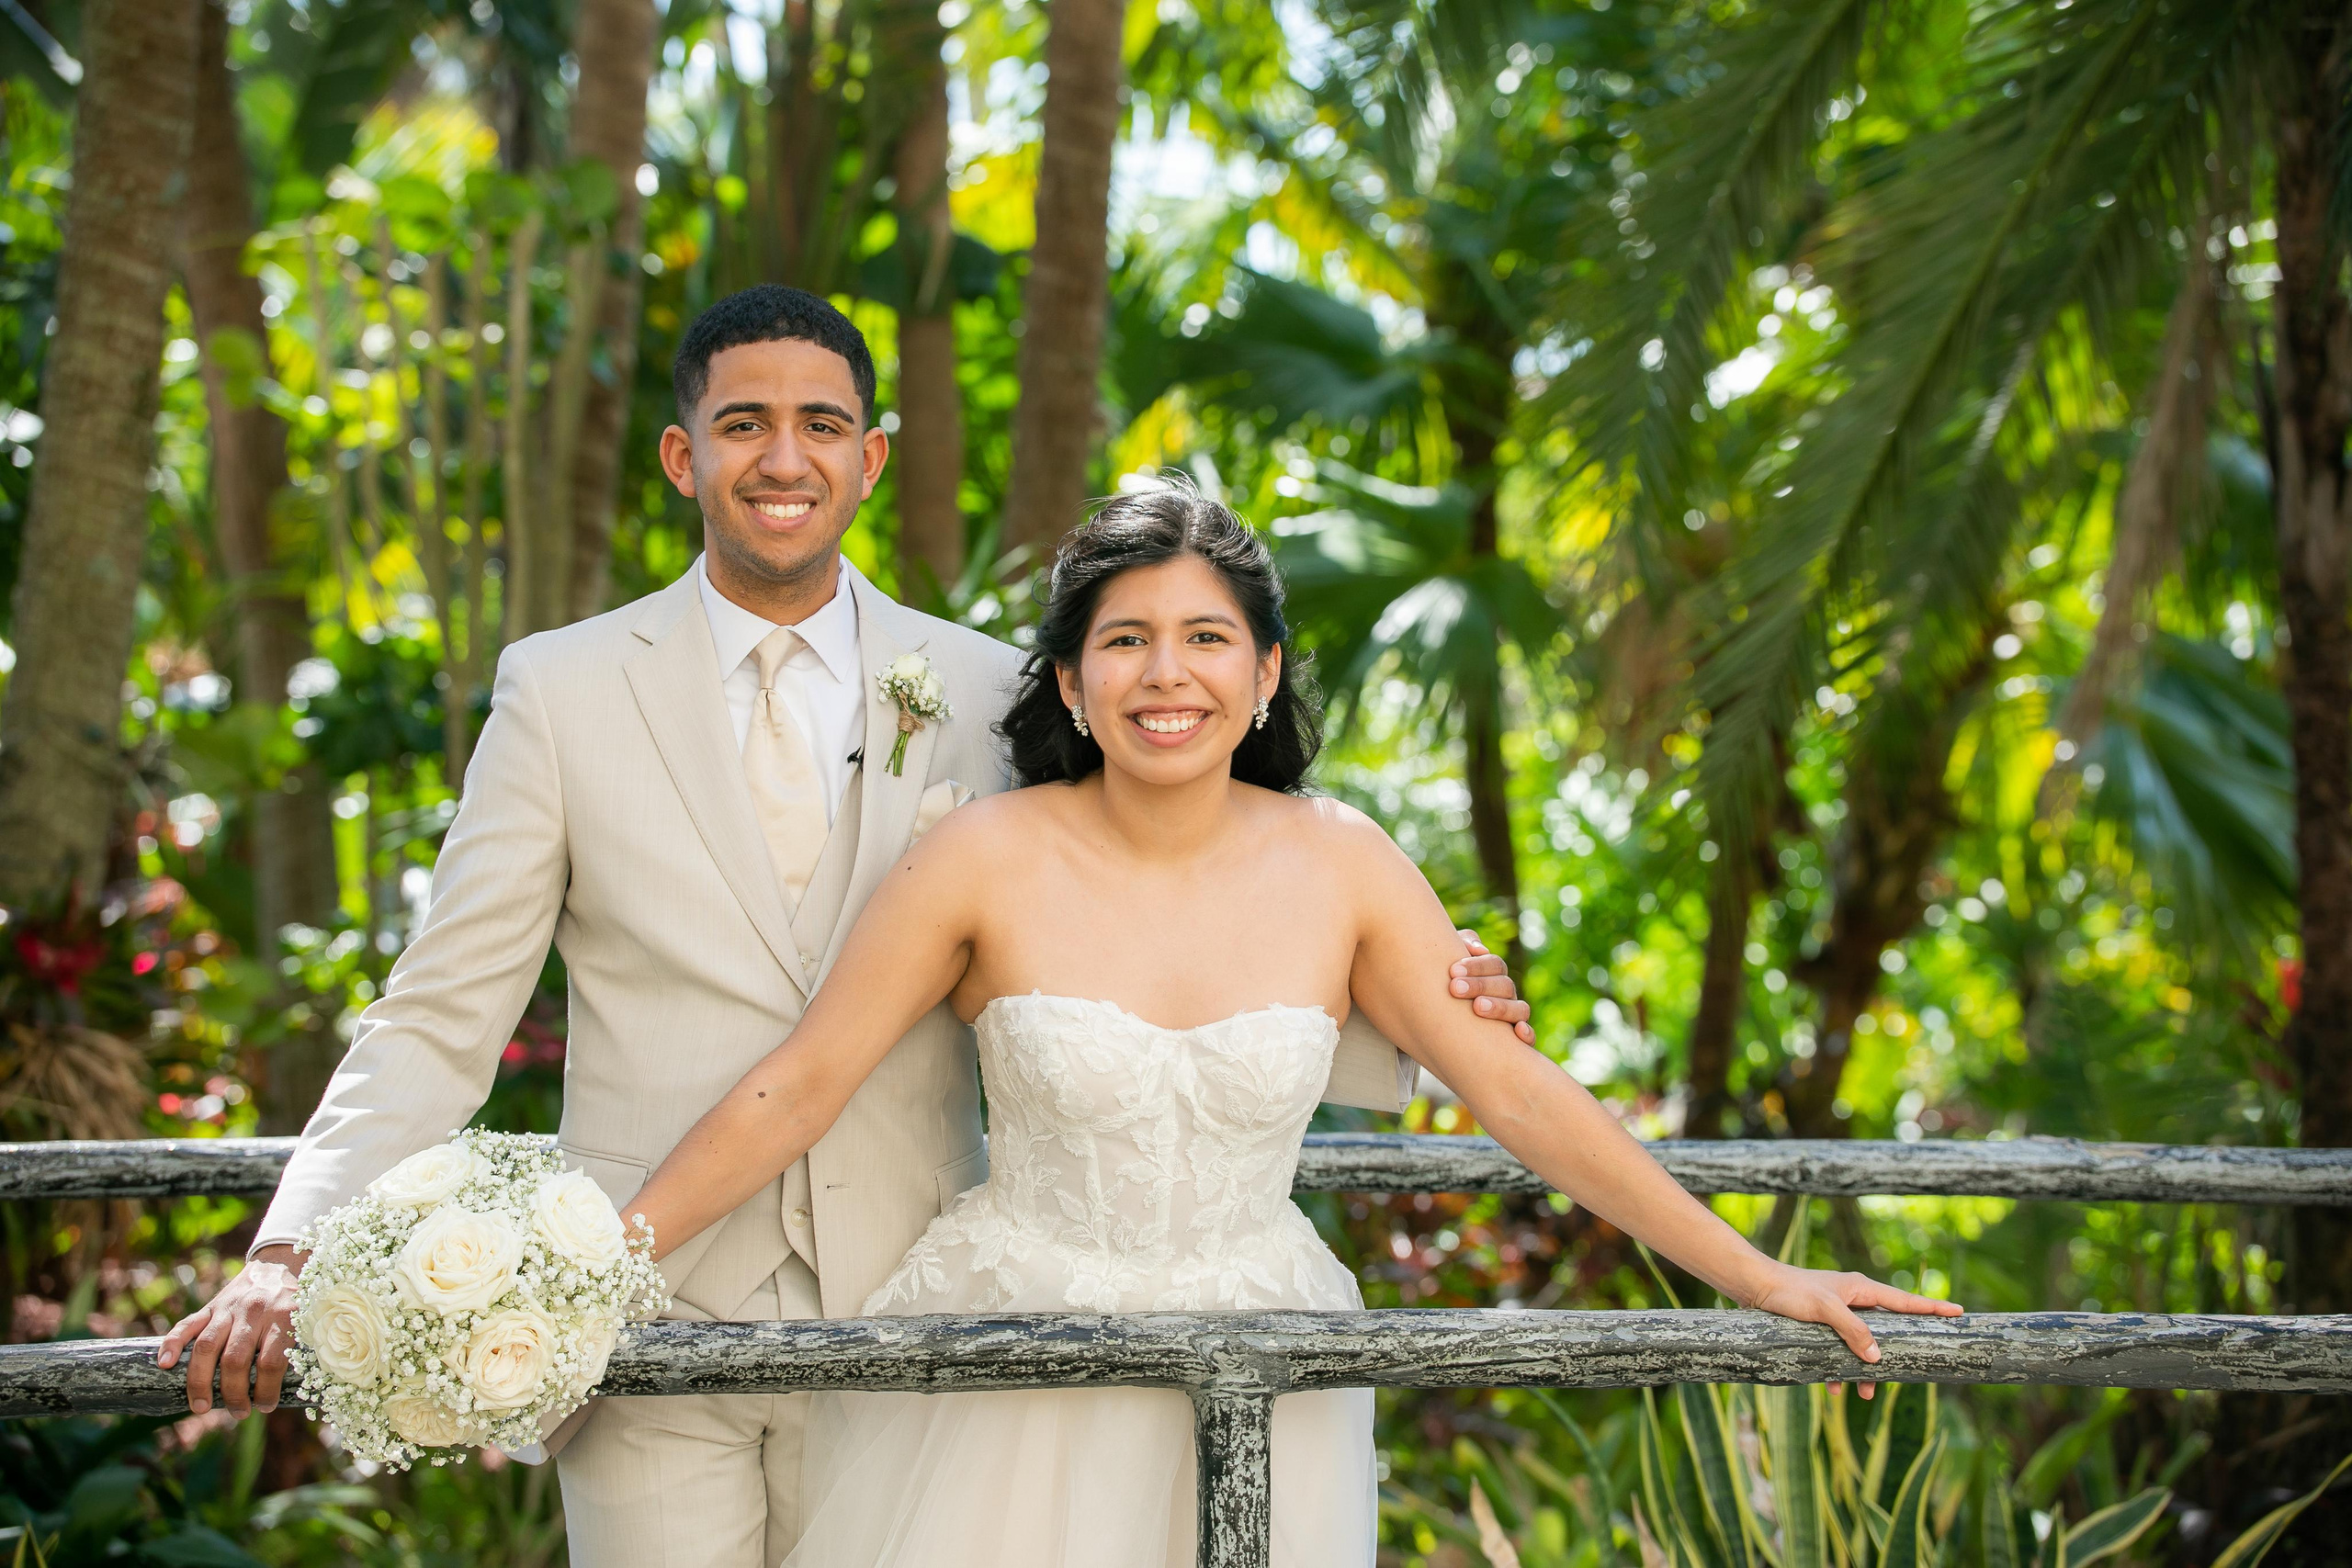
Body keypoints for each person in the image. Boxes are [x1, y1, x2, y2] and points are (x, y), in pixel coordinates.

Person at [155, 287, 1531, 1568]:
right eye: (742, 423)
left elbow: (1151, 897)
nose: (783, 458)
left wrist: (1419, 1005)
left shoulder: (990, 689)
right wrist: (291, 1248)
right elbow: (439, 1014)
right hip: (642, 1315)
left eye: (821, 424)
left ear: (870, 460)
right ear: (683, 457)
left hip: (926, 1321)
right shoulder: (561, 693)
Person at [620, 483, 1966, 1568]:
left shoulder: (1344, 862)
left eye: (1206, 639)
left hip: (1280, 1359)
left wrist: (1764, 1279)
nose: (1167, 674)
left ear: (1264, 671)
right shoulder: (980, 856)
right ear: (1072, 682)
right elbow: (802, 1085)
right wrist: (585, 1268)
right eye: (1125, 640)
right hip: (1018, 1363)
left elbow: (1520, 1096)